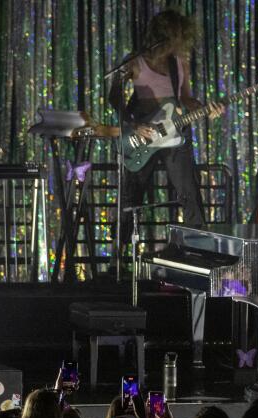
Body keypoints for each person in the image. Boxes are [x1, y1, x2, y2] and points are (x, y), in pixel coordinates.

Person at [107, 9, 224, 252]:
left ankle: (198, 251)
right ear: (166, 35)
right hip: (143, 136)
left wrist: (206, 108)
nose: (181, 42)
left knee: (189, 191)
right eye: (177, 36)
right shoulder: (135, 62)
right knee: (132, 195)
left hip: (175, 136)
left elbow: (186, 99)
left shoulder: (179, 61)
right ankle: (116, 256)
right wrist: (131, 125)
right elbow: (114, 98)